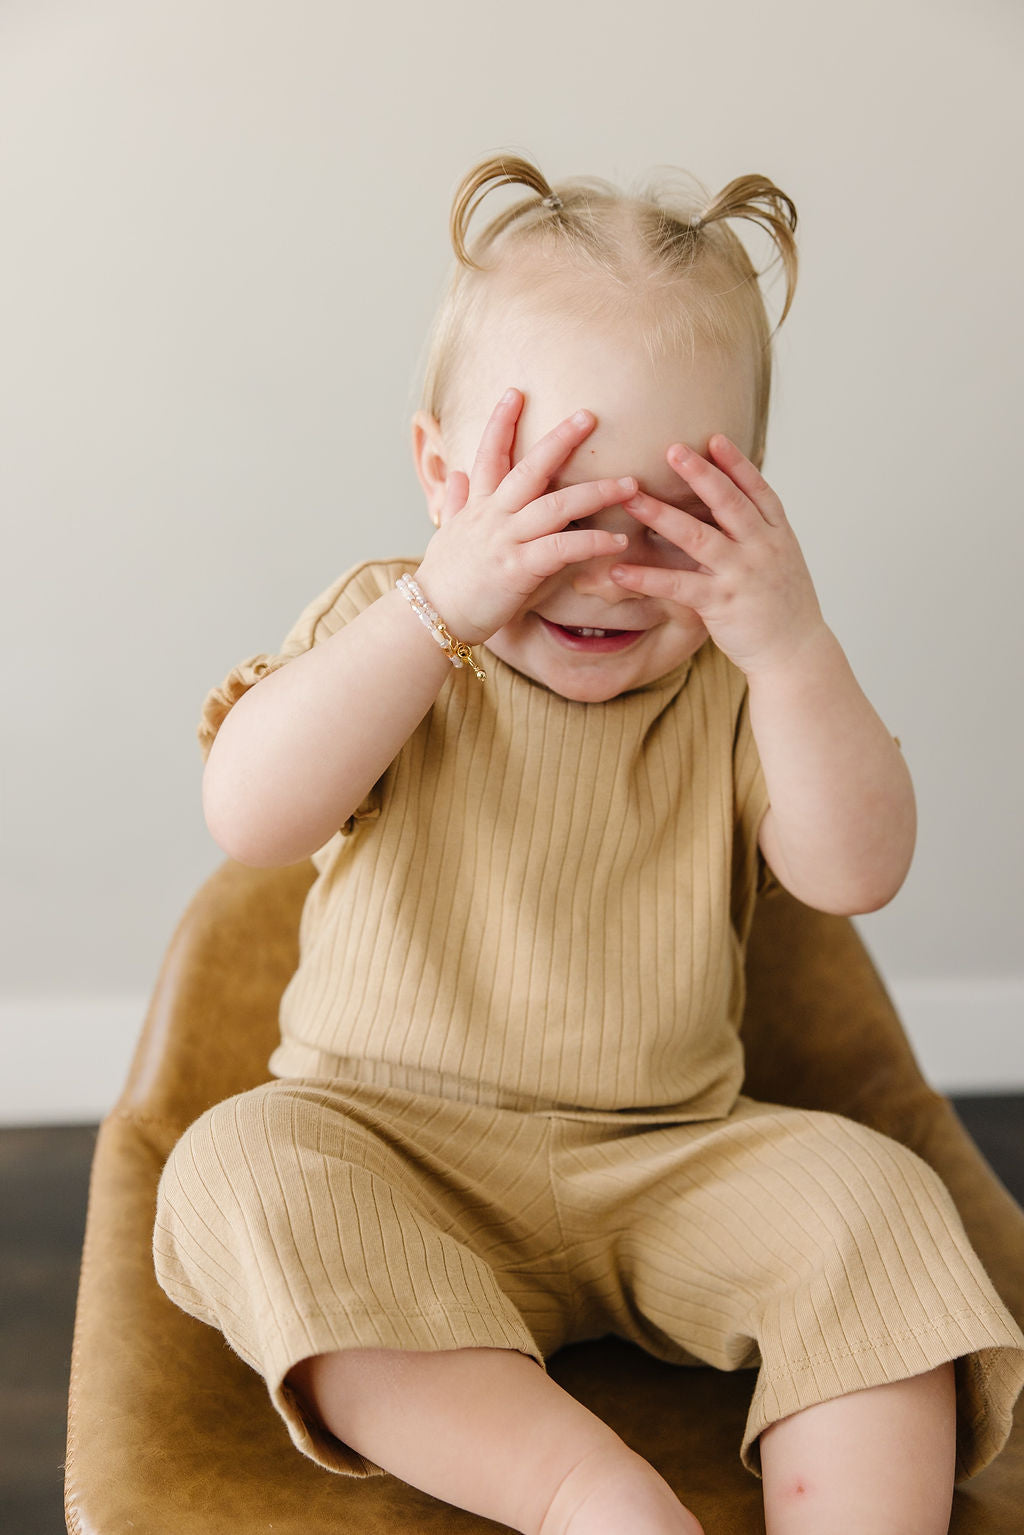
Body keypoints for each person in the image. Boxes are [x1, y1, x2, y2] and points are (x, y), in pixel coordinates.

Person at [153, 152, 1024, 1535]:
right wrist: (435, 613)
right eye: (553, 505)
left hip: (672, 1156)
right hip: (388, 1147)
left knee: (881, 1202)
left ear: (752, 513)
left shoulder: (743, 679)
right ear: (442, 479)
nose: (607, 568)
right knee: (233, 1171)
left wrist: (791, 643)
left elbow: (857, 871)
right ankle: (578, 1491)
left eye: (669, 522)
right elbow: (252, 815)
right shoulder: (394, 626)